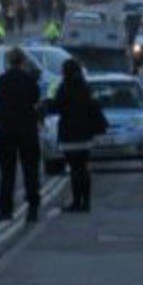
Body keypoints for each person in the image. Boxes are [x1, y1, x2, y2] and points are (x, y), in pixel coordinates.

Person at [49, 59, 107, 213]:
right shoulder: (85, 88)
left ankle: (76, 201)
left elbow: (56, 106)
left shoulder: (64, 87)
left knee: (74, 169)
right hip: (85, 135)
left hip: (69, 134)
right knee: (83, 168)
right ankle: (86, 202)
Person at [0, 48, 42, 223]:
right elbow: (36, 98)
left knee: (7, 173)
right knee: (31, 172)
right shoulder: (30, 81)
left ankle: (5, 210)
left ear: (9, 62)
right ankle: (33, 209)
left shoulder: (2, 81)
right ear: (22, 62)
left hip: (7, 130)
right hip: (27, 130)